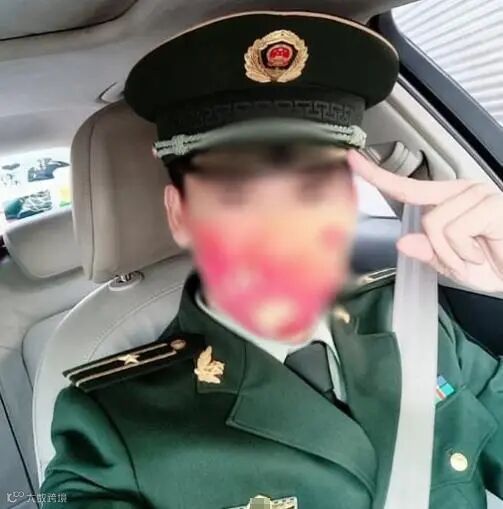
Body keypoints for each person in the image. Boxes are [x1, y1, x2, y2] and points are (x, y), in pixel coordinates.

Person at [40, 10, 503, 509]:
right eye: (238, 192)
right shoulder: (113, 424)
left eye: (315, 187)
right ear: (180, 215)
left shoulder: (410, 318)